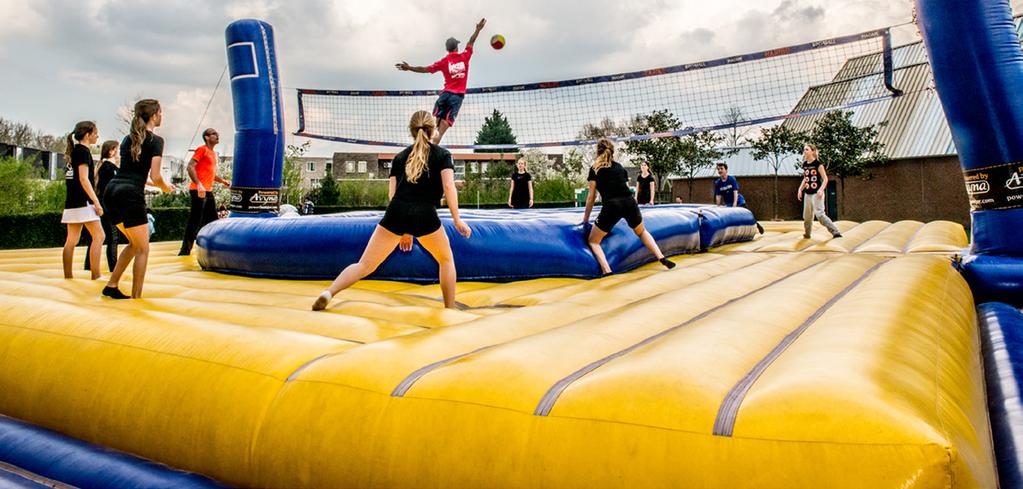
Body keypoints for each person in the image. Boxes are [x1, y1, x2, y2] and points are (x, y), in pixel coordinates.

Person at [313, 110, 472, 311]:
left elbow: (392, 195)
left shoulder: (399, 157)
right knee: (446, 259)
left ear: (412, 131)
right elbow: (449, 187)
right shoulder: (443, 155)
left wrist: (404, 231)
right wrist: (457, 220)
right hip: (425, 213)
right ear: (433, 131)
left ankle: (329, 292)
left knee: (364, 265)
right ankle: (450, 309)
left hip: (396, 211)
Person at [101, 99, 174, 299]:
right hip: (130, 194)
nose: (162, 116)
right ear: (153, 115)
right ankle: (136, 297)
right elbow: (157, 176)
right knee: (143, 248)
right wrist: (166, 188)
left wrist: (155, 184)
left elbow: (135, 171)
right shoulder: (156, 141)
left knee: (134, 244)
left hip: (112, 191)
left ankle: (112, 285)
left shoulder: (128, 139)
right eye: (160, 112)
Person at [581, 138, 675, 276]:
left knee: (593, 241)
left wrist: (585, 219)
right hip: (630, 203)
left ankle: (607, 271)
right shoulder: (620, 167)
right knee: (642, 232)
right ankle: (661, 256)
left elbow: (591, 197)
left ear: (598, 152)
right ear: (612, 152)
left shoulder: (595, 169)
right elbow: (622, 188)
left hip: (612, 206)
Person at [395, 18, 486, 144]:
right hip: (457, 97)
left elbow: (425, 69)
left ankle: (420, 147)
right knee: (439, 133)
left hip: (445, 95)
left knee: (430, 128)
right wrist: (477, 30)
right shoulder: (464, 56)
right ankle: (430, 154)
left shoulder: (444, 62)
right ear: (456, 47)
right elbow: (471, 41)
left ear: (447, 49)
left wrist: (409, 68)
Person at [61, 121, 105, 280]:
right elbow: (84, 179)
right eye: (95, 133)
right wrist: (96, 202)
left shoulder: (73, 152)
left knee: (71, 241)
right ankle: (96, 275)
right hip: (83, 202)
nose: (97, 136)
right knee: (99, 236)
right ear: (87, 135)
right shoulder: (83, 152)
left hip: (71, 202)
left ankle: (68, 276)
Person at [179, 128, 230, 255]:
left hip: (208, 191)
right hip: (198, 190)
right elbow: (190, 166)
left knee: (213, 220)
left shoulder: (213, 153)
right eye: (214, 133)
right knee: (195, 220)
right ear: (207, 137)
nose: (217, 135)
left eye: (217, 133)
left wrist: (222, 181)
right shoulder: (202, 149)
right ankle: (184, 251)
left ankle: (214, 248)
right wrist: (199, 184)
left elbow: (210, 174)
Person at [85, 140, 120, 272]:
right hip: (107, 206)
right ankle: (114, 268)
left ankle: (88, 267)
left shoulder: (105, 166)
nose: (119, 153)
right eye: (117, 149)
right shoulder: (108, 167)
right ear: (111, 151)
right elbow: (109, 188)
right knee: (112, 237)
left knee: (96, 237)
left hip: (102, 204)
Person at [798, 143, 842, 239]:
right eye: (804, 150)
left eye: (807, 149)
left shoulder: (818, 164)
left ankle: (835, 231)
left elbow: (825, 179)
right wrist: (800, 189)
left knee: (820, 215)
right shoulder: (805, 164)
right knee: (807, 217)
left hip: (816, 193)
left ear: (812, 151)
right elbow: (805, 178)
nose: (804, 151)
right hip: (807, 194)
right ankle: (807, 234)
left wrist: (821, 190)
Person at [713, 162, 765, 234]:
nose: (720, 171)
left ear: (726, 170)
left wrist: (735, 204)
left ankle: (758, 225)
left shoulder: (731, 179)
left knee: (747, 215)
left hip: (738, 201)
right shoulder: (718, 183)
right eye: (718, 169)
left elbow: (735, 192)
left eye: (721, 169)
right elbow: (718, 196)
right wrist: (718, 207)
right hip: (729, 203)